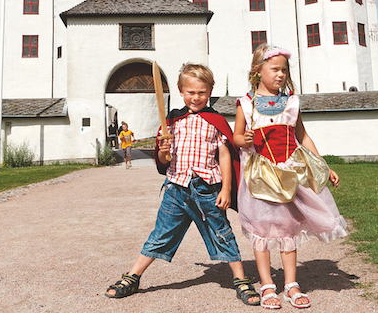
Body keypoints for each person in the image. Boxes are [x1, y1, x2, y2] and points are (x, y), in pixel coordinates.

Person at [105, 63, 261, 306]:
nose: (196, 97)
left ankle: (240, 279)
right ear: (180, 90)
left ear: (210, 91)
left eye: (201, 92)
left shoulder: (215, 121)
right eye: (191, 92)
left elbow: (225, 157)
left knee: (223, 233)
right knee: (160, 234)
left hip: (208, 189)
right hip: (176, 188)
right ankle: (133, 276)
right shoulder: (172, 122)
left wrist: (227, 189)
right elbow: (164, 161)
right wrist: (163, 152)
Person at [233, 45, 348, 309]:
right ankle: (266, 284)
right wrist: (244, 139)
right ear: (257, 71)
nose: (281, 75)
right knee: (261, 228)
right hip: (260, 176)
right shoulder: (246, 104)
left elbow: (302, 137)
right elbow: (237, 136)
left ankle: (291, 284)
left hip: (289, 172)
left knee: (288, 228)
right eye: (274, 69)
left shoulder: (291, 104)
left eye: (284, 70)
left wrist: (323, 165)